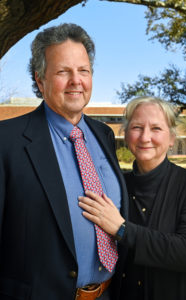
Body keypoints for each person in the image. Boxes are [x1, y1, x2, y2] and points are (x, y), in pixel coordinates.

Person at [0, 24, 129, 300]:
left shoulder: (104, 134)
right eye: (63, 72)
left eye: (83, 70)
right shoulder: (6, 141)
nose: (76, 81)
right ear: (40, 80)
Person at [79, 96, 186, 300]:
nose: (145, 137)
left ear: (171, 139)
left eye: (156, 128)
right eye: (136, 127)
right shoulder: (114, 186)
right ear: (125, 135)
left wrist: (122, 229)